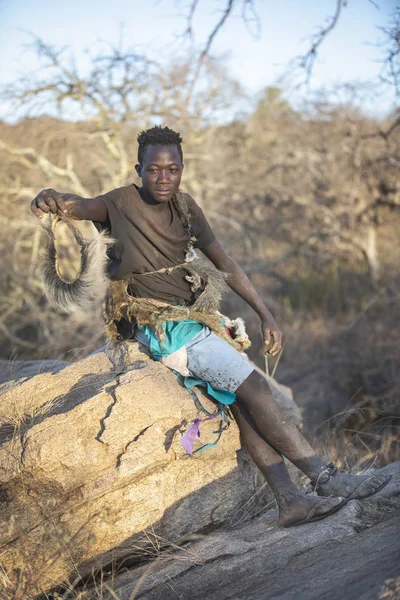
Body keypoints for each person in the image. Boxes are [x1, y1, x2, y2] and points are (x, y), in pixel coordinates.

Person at [30, 126, 390, 527]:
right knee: (255, 387)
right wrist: (49, 198)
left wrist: (265, 314)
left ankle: (290, 501)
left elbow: (226, 263)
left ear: (182, 169)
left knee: (242, 402)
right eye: (154, 170)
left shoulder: (186, 208)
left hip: (192, 321)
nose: (163, 178)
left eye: (173, 169)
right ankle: (326, 478)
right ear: (139, 169)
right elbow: (77, 206)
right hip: (162, 328)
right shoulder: (120, 202)